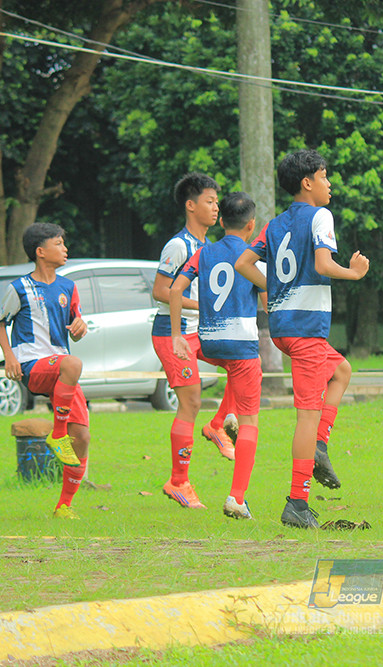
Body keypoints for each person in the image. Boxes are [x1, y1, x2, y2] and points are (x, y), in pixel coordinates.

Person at [235, 149, 369, 528]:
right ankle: (297, 502)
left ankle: (320, 447)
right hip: (306, 329)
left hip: (283, 327)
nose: (329, 184)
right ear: (308, 182)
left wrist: (275, 287)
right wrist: (354, 272)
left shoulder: (275, 224)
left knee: (341, 370)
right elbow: (325, 265)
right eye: (325, 177)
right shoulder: (320, 215)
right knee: (306, 416)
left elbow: (244, 263)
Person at [169, 192, 263, 520]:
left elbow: (175, 290)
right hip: (240, 344)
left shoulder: (204, 252)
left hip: (209, 341)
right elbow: (266, 302)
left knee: (240, 372)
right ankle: (237, 497)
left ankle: (221, 419)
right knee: (252, 417)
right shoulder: (253, 257)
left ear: (221, 221)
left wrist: (178, 335)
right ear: (251, 226)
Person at [151, 173, 238, 510]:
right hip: (173, 333)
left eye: (217, 202)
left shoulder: (210, 247)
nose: (216, 208)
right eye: (209, 201)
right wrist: (205, 305)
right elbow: (161, 292)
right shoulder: (179, 245)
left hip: (202, 331)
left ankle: (217, 427)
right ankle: (179, 482)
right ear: (191, 206)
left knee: (244, 363)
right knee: (191, 402)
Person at [0, 223, 91, 519]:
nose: (65, 249)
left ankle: (64, 506)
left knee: (83, 437)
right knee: (73, 363)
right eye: (59, 244)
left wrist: (80, 327)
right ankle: (57, 433)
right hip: (33, 364)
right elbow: (1, 324)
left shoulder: (67, 287)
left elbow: (75, 324)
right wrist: (9, 357)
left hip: (61, 370)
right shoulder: (18, 288)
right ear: (41, 252)